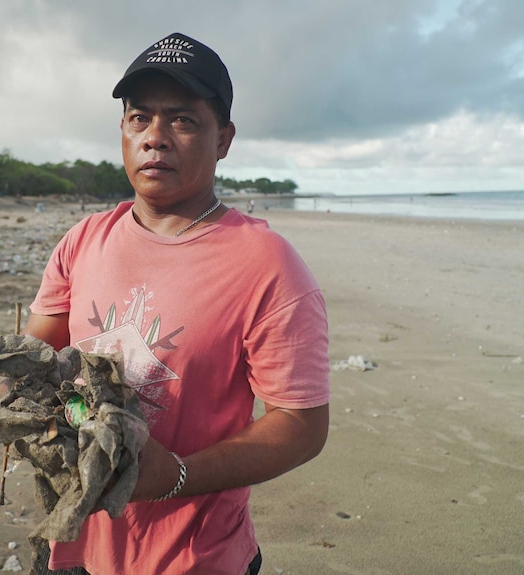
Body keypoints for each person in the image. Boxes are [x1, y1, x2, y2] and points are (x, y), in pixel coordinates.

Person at [21, 32, 330, 575]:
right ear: (122, 129)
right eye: (140, 118)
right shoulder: (83, 240)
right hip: (74, 545)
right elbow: (34, 357)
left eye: (183, 120)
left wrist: (177, 474)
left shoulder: (267, 264)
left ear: (224, 139)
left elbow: (302, 425)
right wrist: (2, 394)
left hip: (195, 558)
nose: (155, 138)